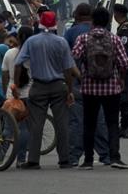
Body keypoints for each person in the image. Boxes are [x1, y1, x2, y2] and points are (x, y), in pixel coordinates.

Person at [13, 11, 79, 169]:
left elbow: (18, 63)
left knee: (36, 124)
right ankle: (64, 159)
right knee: (62, 123)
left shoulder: (32, 41)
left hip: (38, 86)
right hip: (58, 85)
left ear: (40, 24)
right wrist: (69, 90)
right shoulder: (61, 42)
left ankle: (33, 160)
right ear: (55, 24)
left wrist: (15, 84)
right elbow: (68, 69)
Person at [71, 7, 128, 169]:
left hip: (89, 88)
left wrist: (80, 75)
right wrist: (121, 79)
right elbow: (124, 63)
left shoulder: (83, 38)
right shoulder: (114, 39)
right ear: (107, 21)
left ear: (93, 21)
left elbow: (74, 58)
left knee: (89, 124)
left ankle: (88, 160)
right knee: (112, 123)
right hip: (112, 89)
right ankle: (114, 157)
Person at [65, 3, 109, 165]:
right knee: (99, 121)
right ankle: (105, 154)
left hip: (77, 84)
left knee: (77, 122)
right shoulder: (104, 33)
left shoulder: (71, 34)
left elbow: (67, 61)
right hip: (101, 84)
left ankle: (74, 156)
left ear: (76, 15)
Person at [2, 26, 33, 167]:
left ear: (18, 38)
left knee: (8, 128)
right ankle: (21, 159)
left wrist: (5, 92)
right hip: (28, 94)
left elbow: (5, 75)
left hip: (12, 95)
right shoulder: (34, 54)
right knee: (24, 129)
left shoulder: (10, 53)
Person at [113, 4, 128, 138]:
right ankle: (125, 124)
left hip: (125, 69)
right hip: (123, 69)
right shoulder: (122, 27)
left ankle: (127, 125)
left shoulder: (126, 28)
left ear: (117, 14)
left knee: (125, 96)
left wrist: (122, 69)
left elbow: (125, 50)